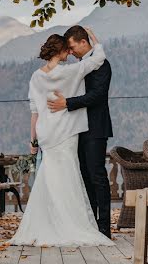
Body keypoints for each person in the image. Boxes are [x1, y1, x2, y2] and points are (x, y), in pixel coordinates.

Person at [10, 28, 114, 247]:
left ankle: (96, 226)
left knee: (81, 177)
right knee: (76, 179)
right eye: (68, 49)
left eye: (73, 46)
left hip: (68, 131)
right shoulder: (70, 71)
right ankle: (80, 223)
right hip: (68, 133)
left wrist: (34, 140)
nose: (71, 52)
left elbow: (35, 111)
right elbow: (96, 59)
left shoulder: (38, 76)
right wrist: (98, 44)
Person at [47, 25, 113, 238]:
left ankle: (104, 227)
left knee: (97, 176)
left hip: (95, 127)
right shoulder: (83, 64)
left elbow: (97, 96)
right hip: (78, 129)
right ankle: (90, 225)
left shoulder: (102, 64)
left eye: (73, 46)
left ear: (84, 43)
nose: (71, 51)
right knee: (84, 177)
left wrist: (67, 103)